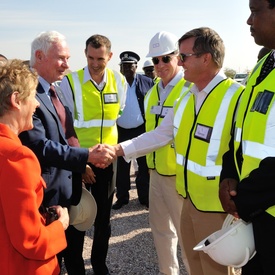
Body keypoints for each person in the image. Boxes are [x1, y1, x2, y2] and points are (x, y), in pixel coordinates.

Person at [110, 27, 244, 275]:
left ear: (206, 58)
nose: (180, 64)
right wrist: (117, 149)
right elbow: (159, 134)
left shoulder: (237, 96)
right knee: (194, 264)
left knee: (216, 268)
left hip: (217, 204)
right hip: (189, 197)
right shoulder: (189, 97)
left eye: (183, 57)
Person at [19, 31, 115, 275]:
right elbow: (39, 146)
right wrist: (85, 156)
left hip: (67, 189)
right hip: (44, 193)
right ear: (39, 56)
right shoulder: (28, 95)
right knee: (49, 260)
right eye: (61, 58)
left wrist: (79, 164)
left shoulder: (58, 89)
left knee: (72, 252)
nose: (67, 64)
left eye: (68, 58)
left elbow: (68, 133)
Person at [60, 34, 127, 275]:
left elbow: (116, 115)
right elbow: (65, 127)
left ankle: (100, 265)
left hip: (108, 163)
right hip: (81, 162)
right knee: (77, 219)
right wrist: (81, 163)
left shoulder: (119, 81)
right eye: (90, 57)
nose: (94, 63)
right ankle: (76, 269)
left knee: (103, 221)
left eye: (100, 58)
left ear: (109, 56)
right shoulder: (70, 82)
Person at [219, 1, 275, 274]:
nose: (249, 21)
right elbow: (241, 131)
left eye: (256, 11)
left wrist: (242, 197)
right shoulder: (265, 63)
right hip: (256, 213)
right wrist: (228, 173)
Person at [0, 59, 69, 275]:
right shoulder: (17, 157)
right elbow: (31, 241)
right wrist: (60, 225)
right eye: (32, 97)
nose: (37, 104)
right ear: (16, 100)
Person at [142, 31, 192, 275]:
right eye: (155, 60)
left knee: (187, 238)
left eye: (165, 58)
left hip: (179, 177)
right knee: (161, 230)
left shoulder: (189, 88)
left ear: (178, 58)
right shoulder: (152, 91)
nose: (159, 65)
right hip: (156, 173)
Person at [112, 51, 154, 210]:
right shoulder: (115, 82)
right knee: (122, 167)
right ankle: (122, 198)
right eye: (124, 66)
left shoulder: (147, 82)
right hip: (121, 131)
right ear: (120, 68)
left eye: (130, 66)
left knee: (143, 165)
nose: (127, 69)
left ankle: (144, 197)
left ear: (136, 67)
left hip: (141, 130)